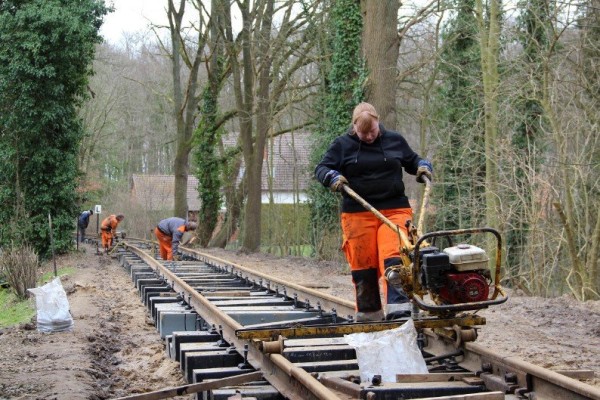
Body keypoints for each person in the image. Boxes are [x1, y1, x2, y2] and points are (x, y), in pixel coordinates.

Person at [315, 102, 433, 322]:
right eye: (363, 133)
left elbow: (411, 160)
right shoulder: (342, 145)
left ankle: (399, 311)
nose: (368, 137)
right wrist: (332, 177)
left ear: (378, 123)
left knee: (394, 257)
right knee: (363, 266)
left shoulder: (394, 140)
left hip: (394, 210)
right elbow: (321, 168)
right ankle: (370, 313)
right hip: (358, 213)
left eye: (372, 131)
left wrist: (422, 166)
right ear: (354, 128)